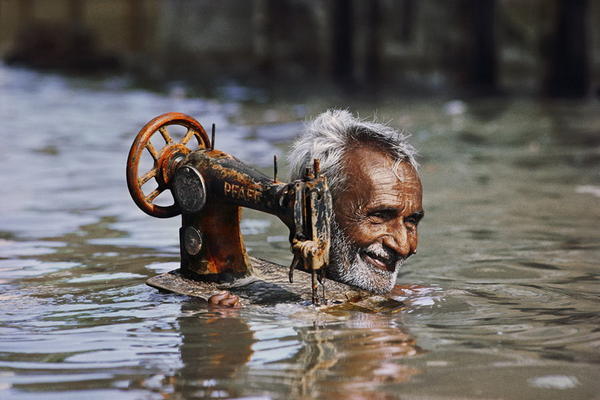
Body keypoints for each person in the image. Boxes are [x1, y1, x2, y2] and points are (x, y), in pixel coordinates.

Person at [210, 110, 424, 307]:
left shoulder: (415, 298)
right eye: (379, 216)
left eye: (411, 221)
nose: (404, 247)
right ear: (313, 208)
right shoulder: (233, 308)